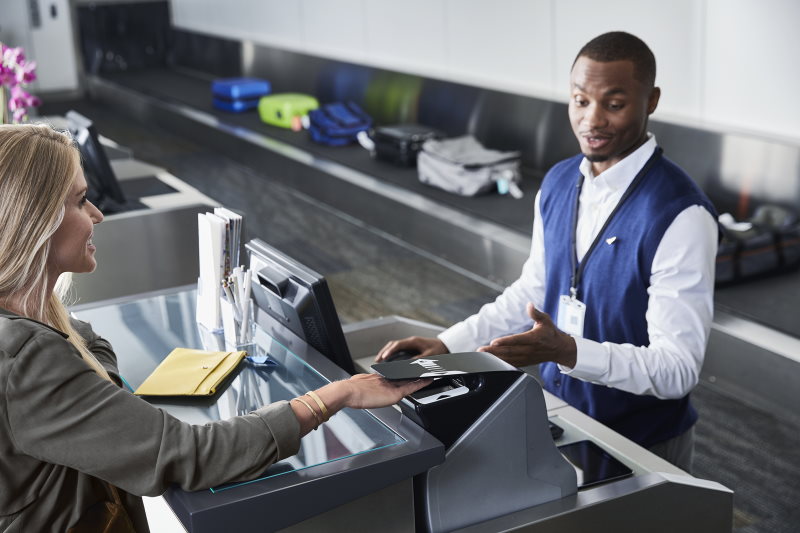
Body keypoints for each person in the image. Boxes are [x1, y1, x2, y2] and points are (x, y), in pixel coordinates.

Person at [0, 123, 431, 532]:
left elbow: (92, 365)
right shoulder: (28, 359)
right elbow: (191, 455)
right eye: (79, 201)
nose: (97, 214)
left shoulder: (26, 324)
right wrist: (339, 393)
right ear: (32, 221)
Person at [377, 31, 718, 472]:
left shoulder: (680, 214)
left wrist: (567, 351)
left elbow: (677, 370)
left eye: (613, 104)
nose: (592, 119)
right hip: (560, 415)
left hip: (643, 441)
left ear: (650, 101)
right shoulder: (558, 182)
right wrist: (449, 344)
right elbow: (533, 292)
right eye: (580, 100)